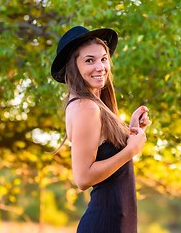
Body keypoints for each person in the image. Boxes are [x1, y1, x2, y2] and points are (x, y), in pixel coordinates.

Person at [51, 26, 150, 233]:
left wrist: (129, 131)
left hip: (114, 223)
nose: (100, 66)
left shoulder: (91, 104)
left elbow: (105, 153)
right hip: (104, 224)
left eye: (104, 59)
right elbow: (83, 178)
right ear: (73, 66)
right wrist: (130, 151)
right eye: (89, 60)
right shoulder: (86, 107)